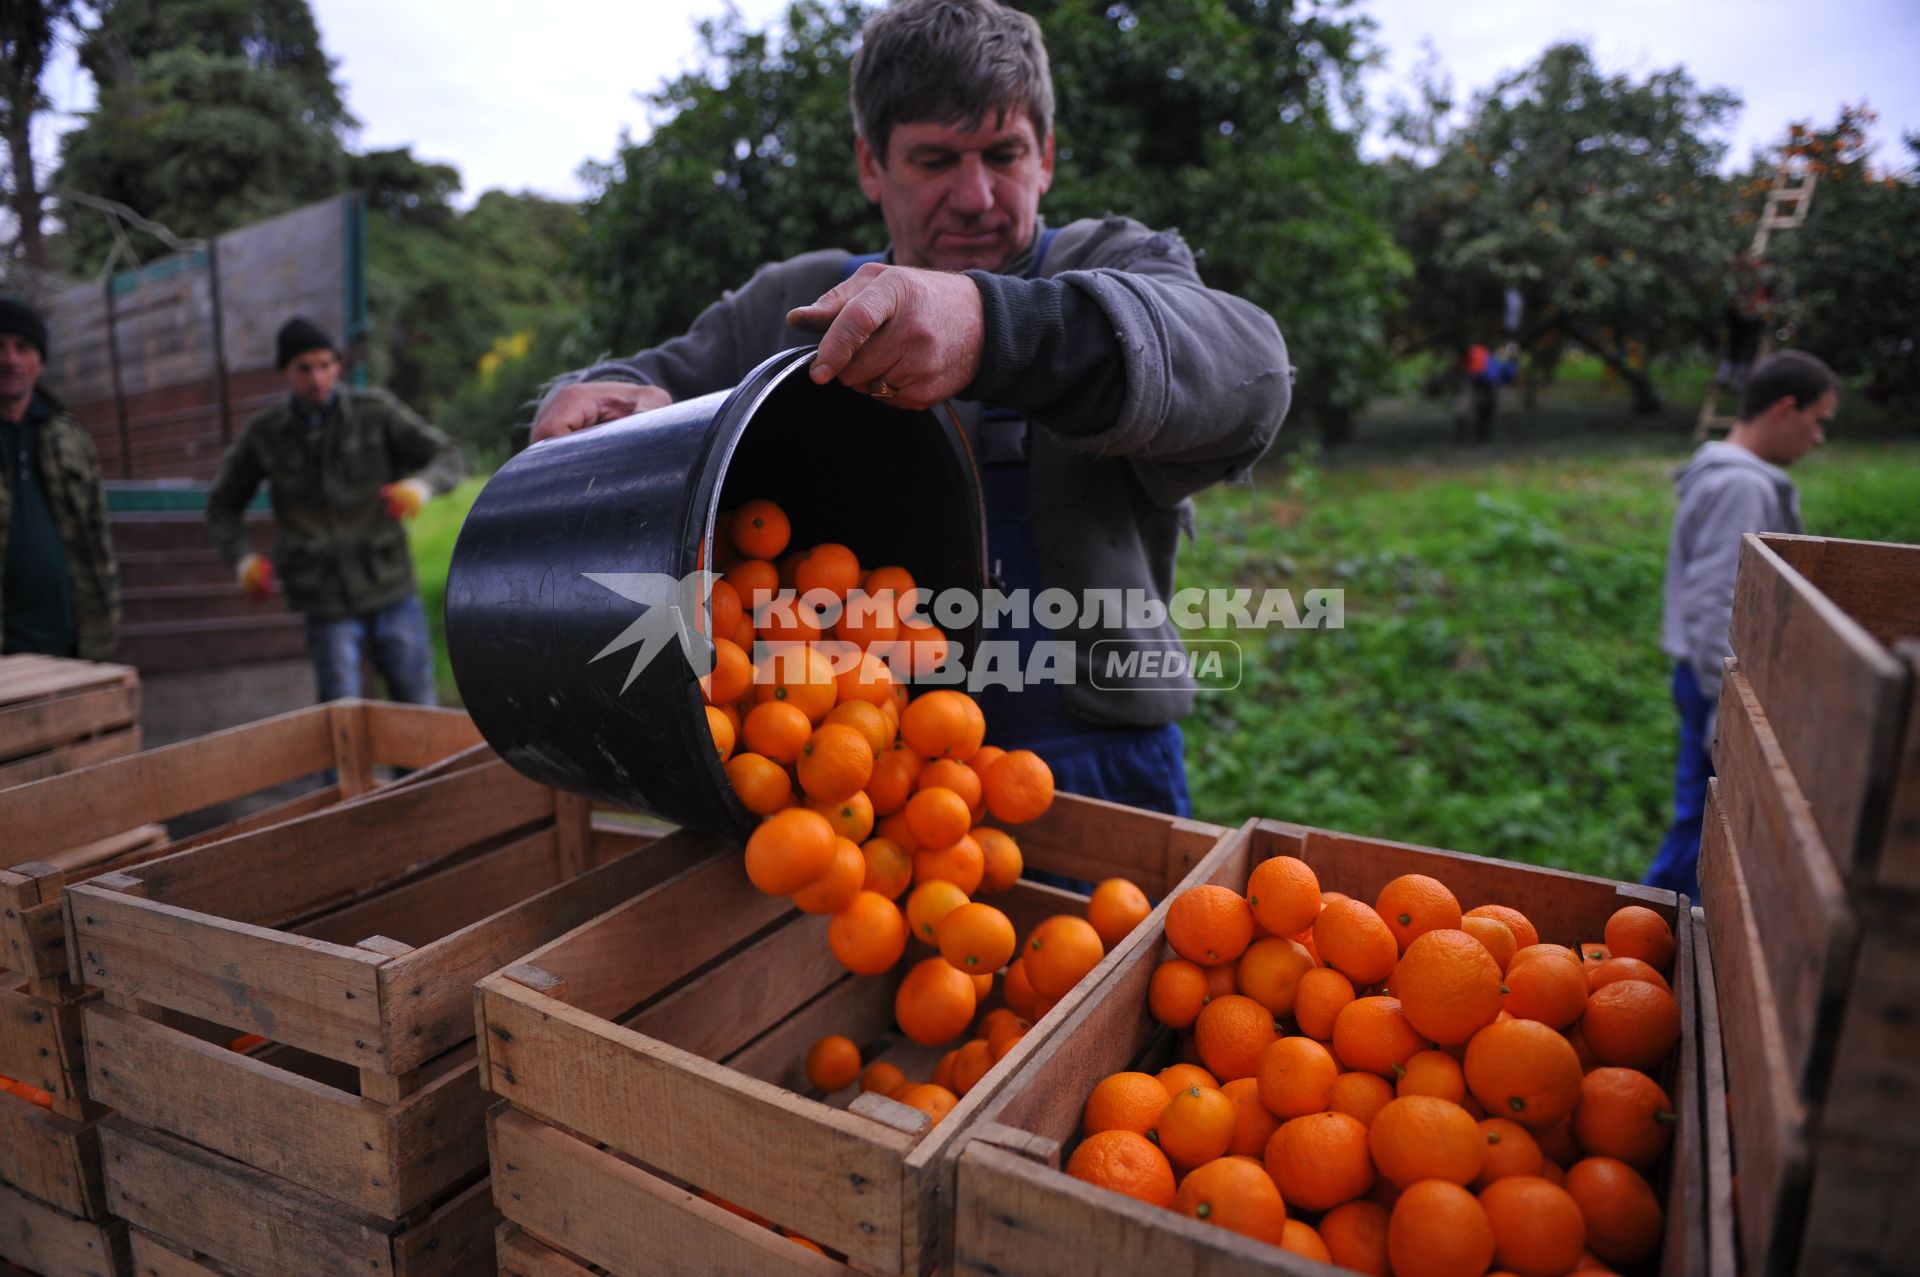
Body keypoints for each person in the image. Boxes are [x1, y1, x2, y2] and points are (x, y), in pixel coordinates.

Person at [532, 0, 1290, 818]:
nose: (974, 195)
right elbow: (648, 380)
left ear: (1047, 158)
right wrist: (591, 399)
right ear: (871, 164)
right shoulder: (797, 304)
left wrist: (995, 327)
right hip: (858, 769)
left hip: (1094, 763)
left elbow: (1248, 372)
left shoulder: (1116, 268)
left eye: (1005, 154)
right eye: (934, 159)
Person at [1647, 350, 1837, 899]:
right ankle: (1644, 951)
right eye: (1818, 420)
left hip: (1706, 676)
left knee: (1699, 821)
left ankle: (1643, 948)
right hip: (1717, 680)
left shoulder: (1731, 476)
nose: (1819, 437)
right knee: (1705, 830)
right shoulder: (1741, 487)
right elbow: (1716, 602)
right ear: (1785, 409)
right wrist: (1724, 702)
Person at [207, 317, 462, 704]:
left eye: (325, 365)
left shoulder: (374, 412)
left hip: (389, 585)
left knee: (417, 707)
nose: (317, 377)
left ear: (338, 366)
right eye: (304, 368)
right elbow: (223, 505)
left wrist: (420, 486)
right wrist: (241, 560)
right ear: (286, 372)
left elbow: (448, 456)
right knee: (339, 716)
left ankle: (424, 770)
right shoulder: (265, 433)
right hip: (324, 599)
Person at [0, 293, 120, 660]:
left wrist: (107, 619)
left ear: (39, 360)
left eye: (23, 347)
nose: (10, 359)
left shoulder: (69, 434)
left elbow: (97, 534)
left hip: (73, 642)